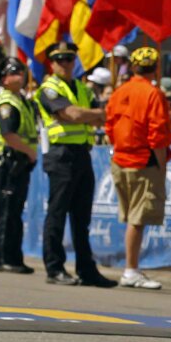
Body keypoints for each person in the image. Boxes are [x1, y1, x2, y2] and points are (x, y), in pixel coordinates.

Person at [35, 41, 115, 287]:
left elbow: (98, 116)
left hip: (82, 154)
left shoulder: (81, 87)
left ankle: (86, 269)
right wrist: (88, 115)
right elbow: (73, 115)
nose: (66, 64)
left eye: (69, 59)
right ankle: (55, 267)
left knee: (82, 218)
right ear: (52, 62)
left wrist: (88, 115)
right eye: (60, 59)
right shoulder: (48, 88)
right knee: (57, 214)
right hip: (60, 156)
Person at [103, 46, 171, 290]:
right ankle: (131, 270)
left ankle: (131, 268)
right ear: (155, 68)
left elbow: (109, 126)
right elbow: (158, 134)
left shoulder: (119, 91)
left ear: (133, 67)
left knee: (132, 217)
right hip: (143, 161)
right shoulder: (153, 94)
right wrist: (162, 167)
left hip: (120, 160)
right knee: (137, 218)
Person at [0, 57, 39, 274]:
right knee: (7, 212)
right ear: (4, 79)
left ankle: (14, 257)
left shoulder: (21, 100)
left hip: (18, 161)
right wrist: (30, 152)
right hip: (8, 160)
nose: (19, 75)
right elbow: (8, 134)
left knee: (15, 211)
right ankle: (2, 258)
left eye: (20, 71)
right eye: (13, 72)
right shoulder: (6, 102)